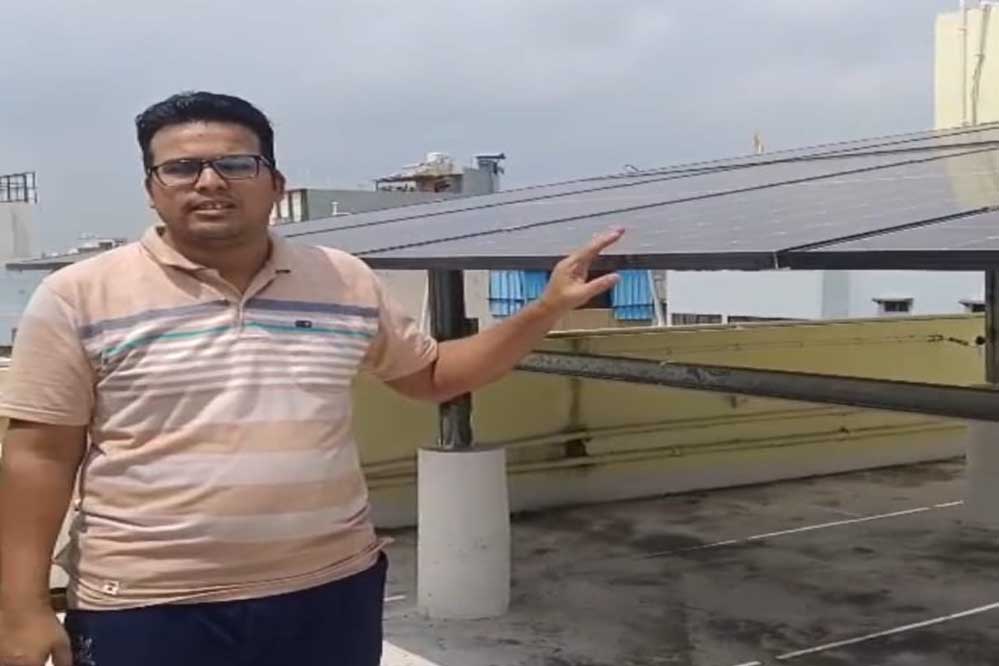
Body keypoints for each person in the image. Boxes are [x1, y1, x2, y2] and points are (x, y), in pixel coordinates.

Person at [0, 91, 623, 666]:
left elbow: (432, 375)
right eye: (182, 168)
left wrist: (545, 309)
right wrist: (21, 606)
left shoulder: (343, 279)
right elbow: (39, 455)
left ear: (275, 183)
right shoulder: (79, 295)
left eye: (236, 164)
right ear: (151, 190)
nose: (210, 182)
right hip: (146, 603)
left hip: (329, 591)